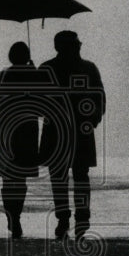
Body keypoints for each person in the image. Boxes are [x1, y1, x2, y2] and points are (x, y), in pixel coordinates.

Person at [38, 30, 105, 239]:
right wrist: (92, 121)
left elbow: (37, 102)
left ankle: (63, 219)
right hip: (81, 132)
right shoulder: (89, 68)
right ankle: (82, 219)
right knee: (81, 177)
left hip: (55, 131)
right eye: (76, 43)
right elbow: (99, 99)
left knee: (58, 178)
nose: (80, 45)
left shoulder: (47, 69)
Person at [0, 41, 45, 239]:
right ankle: (16, 215)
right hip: (26, 134)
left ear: (10, 57)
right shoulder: (35, 77)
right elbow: (42, 108)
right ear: (27, 56)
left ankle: (11, 215)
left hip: (3, 133)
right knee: (21, 178)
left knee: (7, 178)